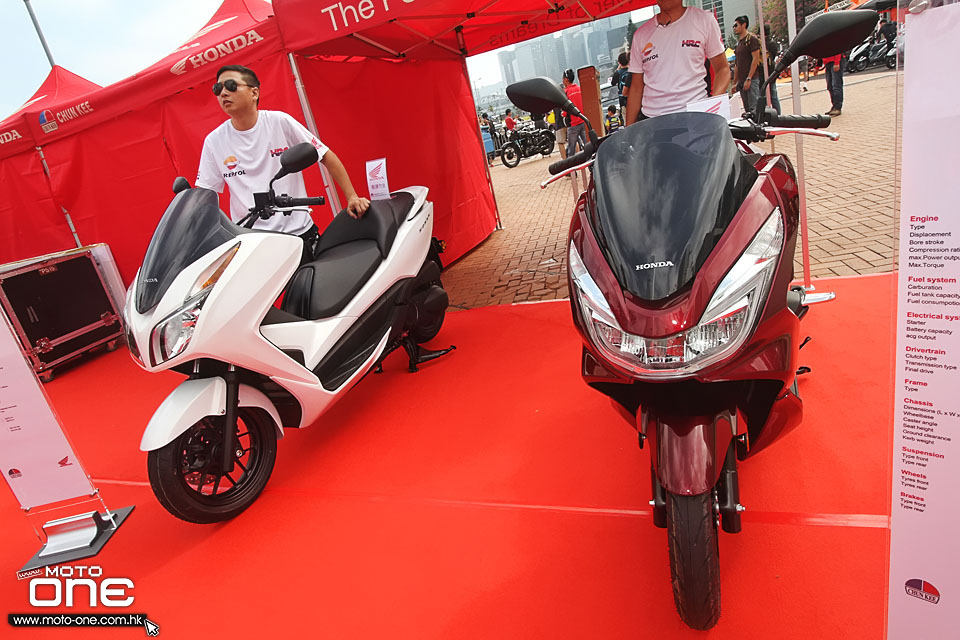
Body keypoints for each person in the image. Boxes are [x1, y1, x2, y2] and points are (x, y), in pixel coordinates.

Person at [196, 65, 369, 266]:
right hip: (252, 242)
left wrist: (352, 197)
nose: (223, 93)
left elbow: (325, 155)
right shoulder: (214, 141)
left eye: (231, 86)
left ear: (254, 93)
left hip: (297, 235)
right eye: (217, 89)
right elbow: (205, 194)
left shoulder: (279, 121)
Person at [624, 0, 730, 124]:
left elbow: (723, 69)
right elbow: (636, 88)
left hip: (696, 115)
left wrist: (712, 107)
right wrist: (628, 131)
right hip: (653, 120)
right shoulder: (640, 35)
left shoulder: (704, 20)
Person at [733, 15, 762, 115]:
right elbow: (737, 64)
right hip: (741, 81)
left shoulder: (751, 39)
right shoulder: (739, 43)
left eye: (736, 25)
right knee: (747, 109)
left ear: (744, 25)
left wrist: (749, 78)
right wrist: (735, 82)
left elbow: (755, 59)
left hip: (751, 79)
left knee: (754, 108)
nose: (734, 28)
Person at [562, 69, 586, 155]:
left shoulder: (566, 92)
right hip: (583, 121)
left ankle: (573, 164)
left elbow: (565, 110)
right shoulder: (579, 89)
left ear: (566, 80)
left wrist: (563, 114)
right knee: (588, 146)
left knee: (571, 151)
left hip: (573, 125)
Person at [611, 52, 632, 118]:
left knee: (626, 118)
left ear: (619, 62)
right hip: (633, 97)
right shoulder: (632, 71)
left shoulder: (618, 73)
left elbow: (613, 83)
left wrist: (618, 69)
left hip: (623, 100)